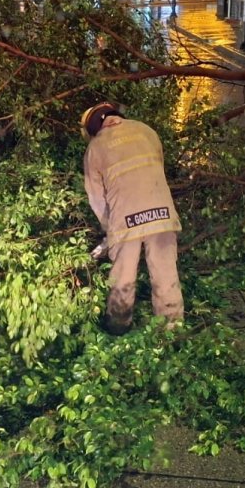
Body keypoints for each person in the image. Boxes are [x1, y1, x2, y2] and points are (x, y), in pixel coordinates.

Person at [81, 102, 184, 335]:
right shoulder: (146, 130)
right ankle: (172, 334)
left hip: (125, 220)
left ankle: (118, 327)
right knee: (166, 274)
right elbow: (157, 169)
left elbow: (97, 199)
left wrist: (109, 231)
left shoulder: (96, 147)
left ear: (94, 127)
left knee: (123, 278)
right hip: (163, 214)